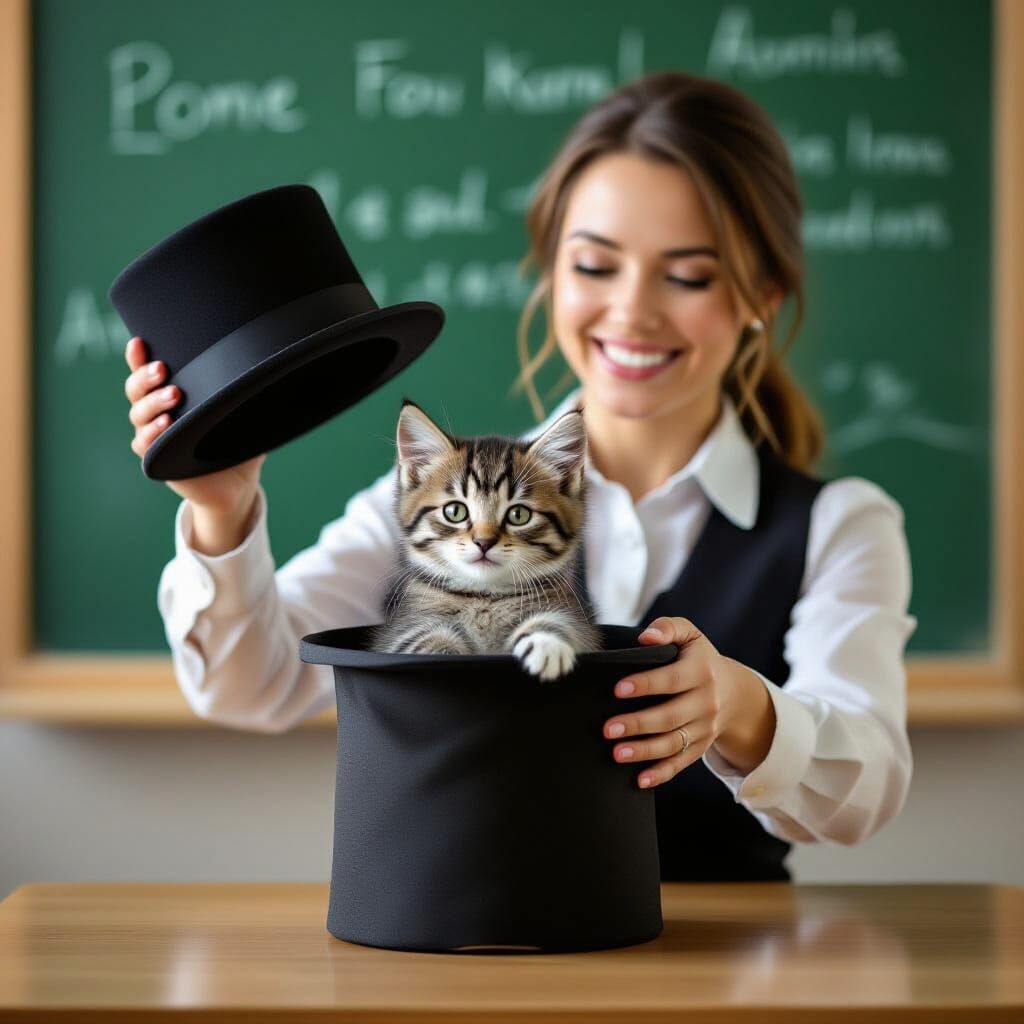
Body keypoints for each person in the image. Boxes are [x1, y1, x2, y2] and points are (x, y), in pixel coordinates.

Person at [123, 71, 916, 882]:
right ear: (550, 272)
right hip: (472, 966)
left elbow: (868, 789)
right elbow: (251, 687)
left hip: (729, 976)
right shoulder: (436, 510)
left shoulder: (842, 526)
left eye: (688, 276)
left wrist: (740, 706)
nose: (633, 312)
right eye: (595, 266)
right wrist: (222, 510)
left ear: (763, 295)